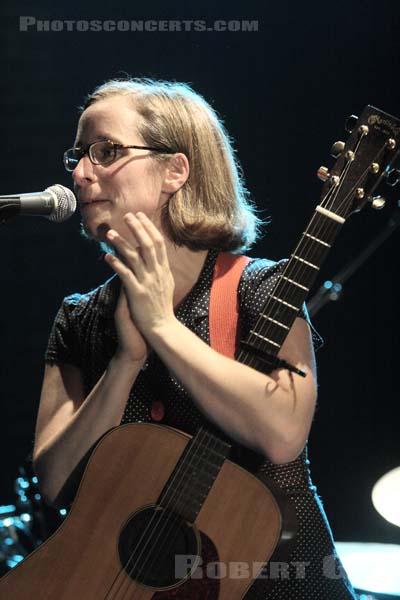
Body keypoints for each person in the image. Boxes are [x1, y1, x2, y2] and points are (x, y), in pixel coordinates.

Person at [32, 78, 357, 598]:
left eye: (106, 151)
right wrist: (125, 362)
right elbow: (54, 482)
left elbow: (281, 433)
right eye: (78, 154)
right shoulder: (80, 318)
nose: (79, 173)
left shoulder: (261, 289)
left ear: (175, 170)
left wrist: (162, 327)